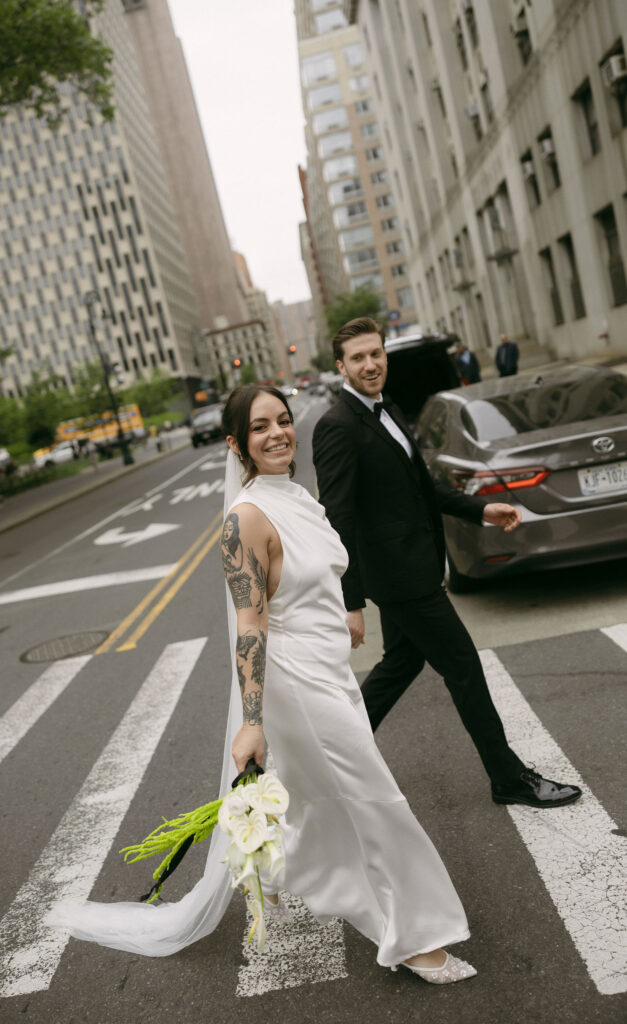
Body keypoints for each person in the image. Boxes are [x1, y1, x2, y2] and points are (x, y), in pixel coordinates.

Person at [50, 384, 477, 986]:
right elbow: (250, 624)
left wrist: (344, 616)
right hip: (295, 682)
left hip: (330, 671)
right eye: (260, 427)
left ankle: (275, 874)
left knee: (320, 793)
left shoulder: (296, 496)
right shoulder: (244, 520)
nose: (278, 433)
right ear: (235, 443)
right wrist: (252, 720)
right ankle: (413, 938)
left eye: (282, 421)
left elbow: (317, 579)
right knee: (374, 799)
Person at [312, 317, 581, 811]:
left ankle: (330, 759)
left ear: (384, 355)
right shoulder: (338, 427)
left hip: (413, 567)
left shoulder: (387, 408)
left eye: (376, 353)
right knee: (463, 667)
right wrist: (349, 602)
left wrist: (481, 509)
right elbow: (338, 520)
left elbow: (422, 487)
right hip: (401, 579)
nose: (370, 364)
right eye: (358, 358)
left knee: (401, 662)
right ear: (341, 367)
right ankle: (508, 778)